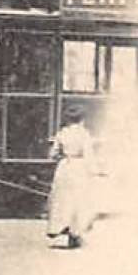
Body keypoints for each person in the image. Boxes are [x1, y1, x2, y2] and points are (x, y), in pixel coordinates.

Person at [46, 106, 99, 249]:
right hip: (79, 167)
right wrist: (95, 171)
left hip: (64, 167)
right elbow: (89, 155)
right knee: (78, 200)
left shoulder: (62, 133)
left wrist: (62, 156)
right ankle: (75, 234)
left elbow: (53, 155)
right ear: (82, 119)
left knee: (63, 199)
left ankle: (62, 228)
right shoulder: (84, 135)